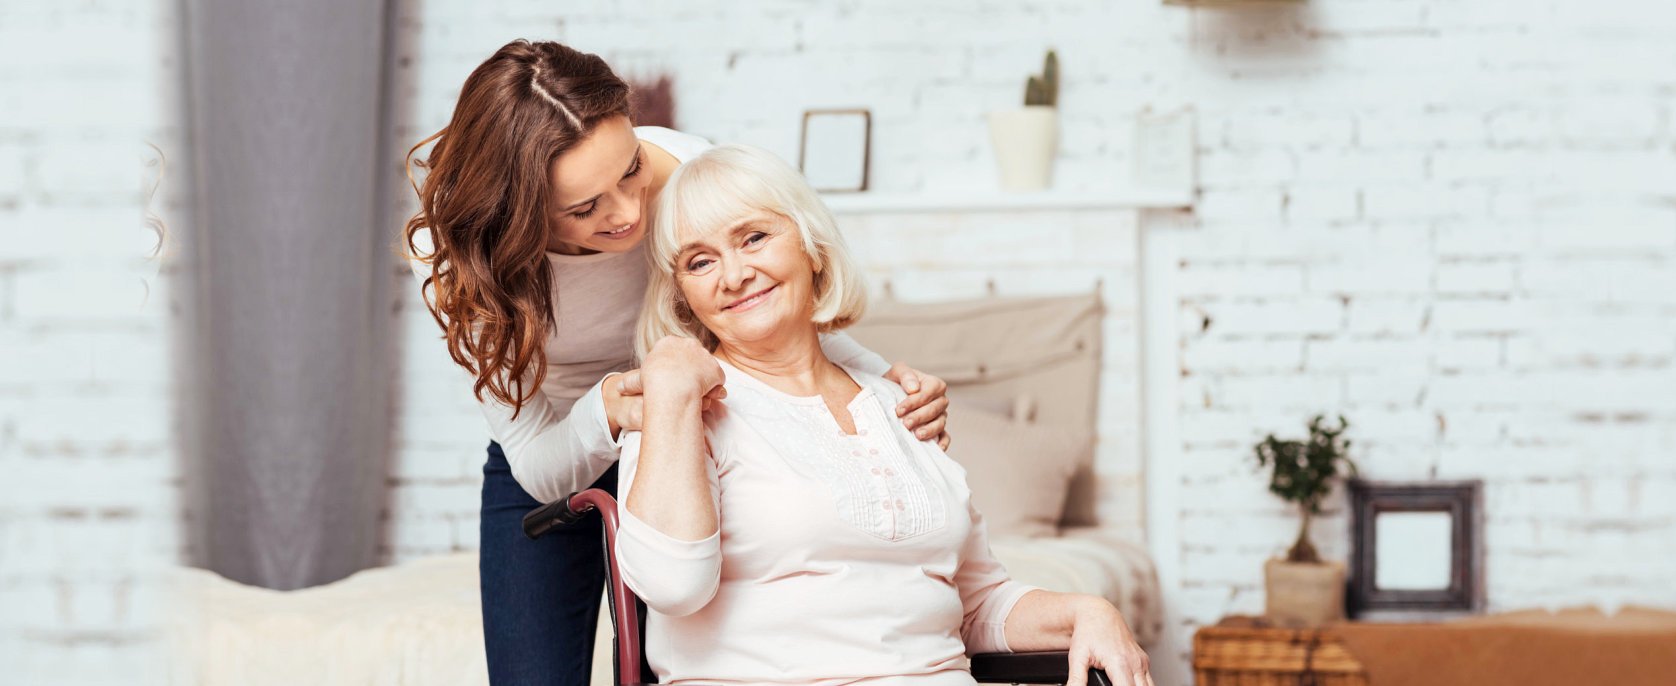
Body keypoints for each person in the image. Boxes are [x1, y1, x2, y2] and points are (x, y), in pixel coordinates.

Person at [403, 40, 955, 685]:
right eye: (585, 208)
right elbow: (538, 465)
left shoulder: (693, 172)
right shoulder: (459, 255)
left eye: (631, 168)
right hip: (554, 445)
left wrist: (880, 387)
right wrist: (605, 410)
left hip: (699, 436)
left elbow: (772, 303)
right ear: (517, 210)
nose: (630, 212)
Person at [616, 144, 1154, 686]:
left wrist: (1089, 611)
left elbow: (977, 601)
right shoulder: (679, 412)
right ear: (683, 297)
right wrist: (671, 389)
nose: (733, 275)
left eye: (754, 238)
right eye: (700, 261)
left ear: (812, 247)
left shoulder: (901, 407)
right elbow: (670, 584)